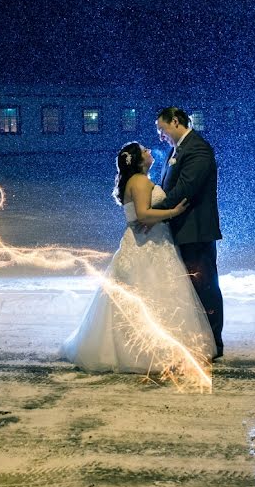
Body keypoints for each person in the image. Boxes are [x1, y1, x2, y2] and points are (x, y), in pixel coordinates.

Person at [61, 142, 216, 372]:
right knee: (155, 293)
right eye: (145, 151)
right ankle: (150, 352)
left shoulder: (135, 181)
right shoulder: (140, 182)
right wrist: (173, 213)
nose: (150, 152)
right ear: (138, 160)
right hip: (148, 246)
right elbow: (143, 214)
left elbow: (139, 215)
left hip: (143, 242)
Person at [153, 106, 225, 360]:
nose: (160, 134)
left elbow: (185, 188)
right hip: (179, 228)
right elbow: (167, 185)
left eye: (162, 128)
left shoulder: (198, 149)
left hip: (196, 231)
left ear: (175, 122)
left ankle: (214, 343)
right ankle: (197, 339)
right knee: (190, 288)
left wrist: (150, 209)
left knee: (204, 286)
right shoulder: (176, 150)